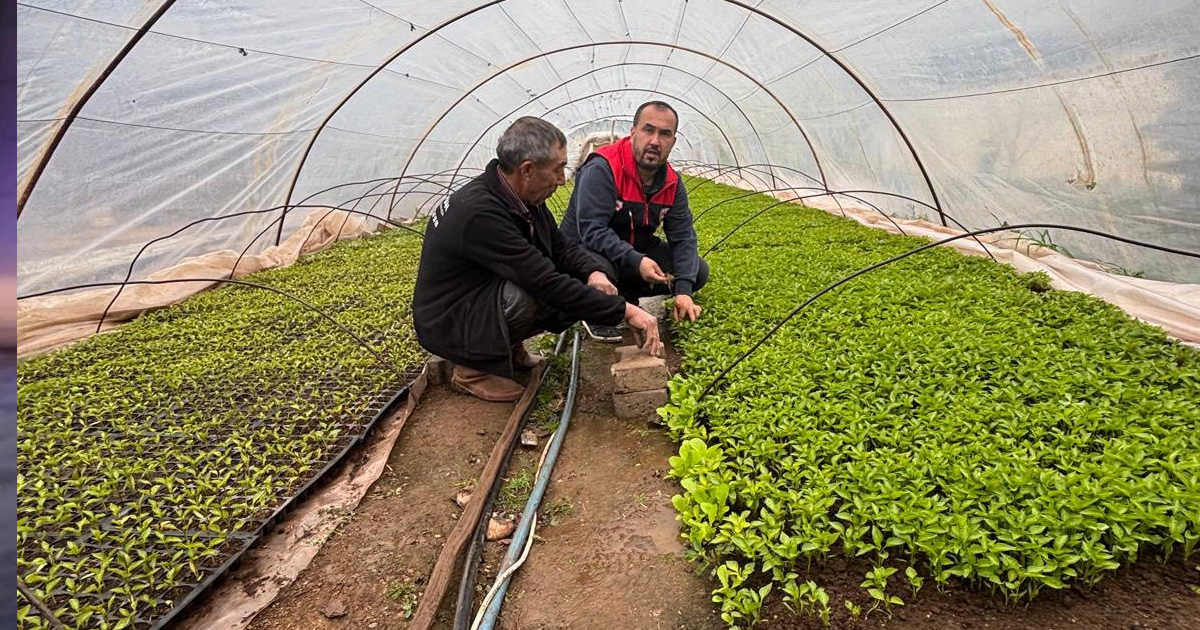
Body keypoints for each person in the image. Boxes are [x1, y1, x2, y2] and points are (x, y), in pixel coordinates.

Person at [412, 117, 663, 402]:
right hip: (450, 319)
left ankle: (506, 348)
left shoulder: (520, 198)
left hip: (476, 297)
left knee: (581, 281)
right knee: (527, 296)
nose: (562, 178)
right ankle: (472, 370)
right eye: (557, 169)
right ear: (527, 170)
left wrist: (594, 272)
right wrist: (627, 311)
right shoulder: (480, 213)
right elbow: (544, 281)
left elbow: (561, 247)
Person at [560, 101, 709, 342]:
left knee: (697, 272)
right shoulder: (603, 167)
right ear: (633, 133)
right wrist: (637, 260)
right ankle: (597, 311)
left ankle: (624, 294)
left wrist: (683, 291)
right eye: (648, 130)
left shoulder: (671, 182)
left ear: (673, 141)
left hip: (633, 252)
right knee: (600, 269)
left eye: (665, 134)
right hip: (583, 253)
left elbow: (683, 237)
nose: (655, 141)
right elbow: (592, 230)